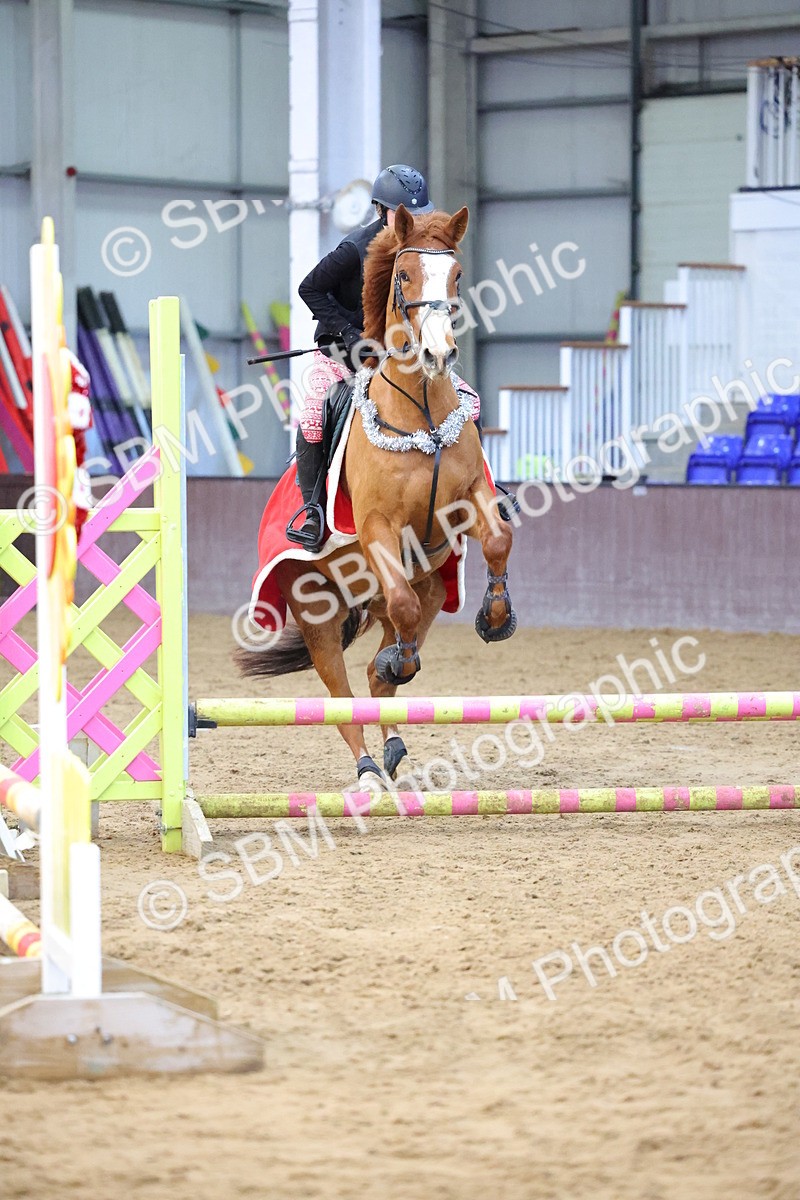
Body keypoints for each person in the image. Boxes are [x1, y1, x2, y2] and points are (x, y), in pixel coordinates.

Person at [292, 164, 480, 552]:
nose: (413, 219)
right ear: (382, 212)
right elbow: (309, 288)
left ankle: (486, 488)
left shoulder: (424, 252)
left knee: (468, 403)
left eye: (420, 211)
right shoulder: (353, 250)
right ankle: (311, 509)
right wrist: (349, 332)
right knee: (313, 415)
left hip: (399, 355)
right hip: (344, 353)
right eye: (402, 213)